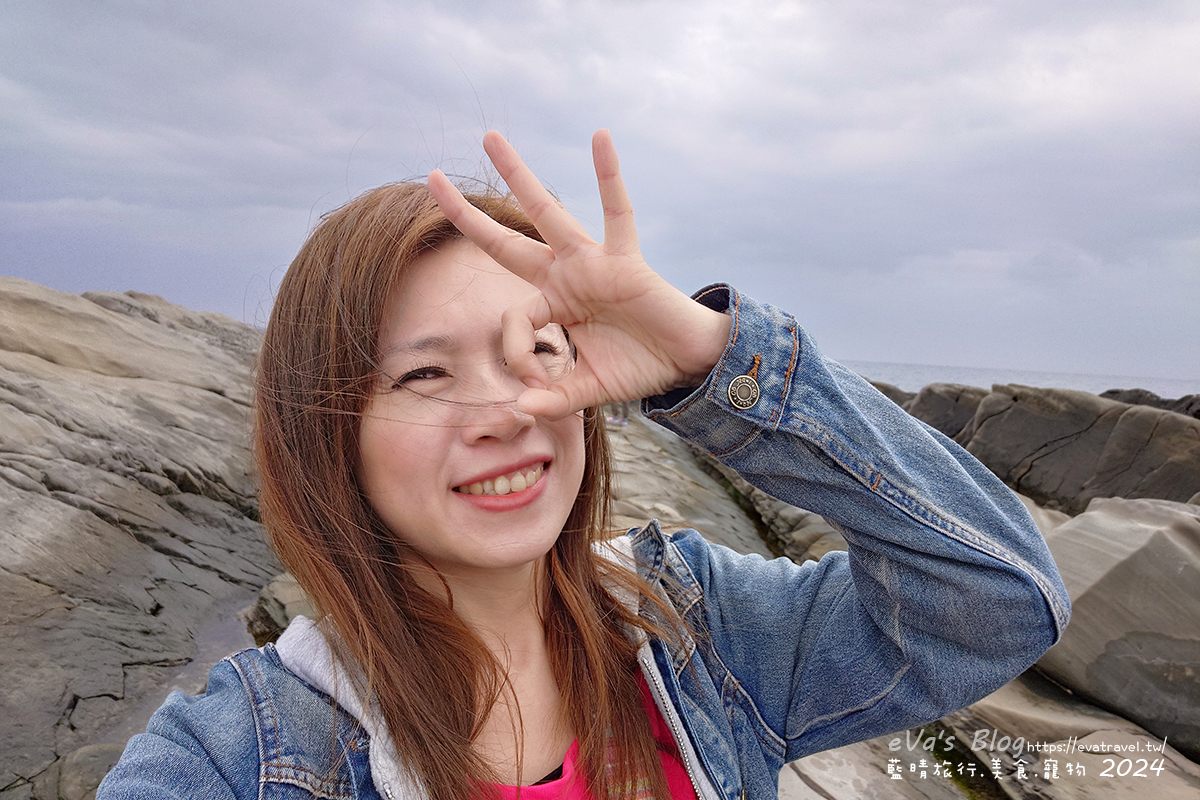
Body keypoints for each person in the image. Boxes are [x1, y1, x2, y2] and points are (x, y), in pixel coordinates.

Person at [98, 131, 1069, 800]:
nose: (510, 409)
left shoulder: (698, 624)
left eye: (541, 350)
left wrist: (710, 356)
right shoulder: (241, 752)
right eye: (427, 371)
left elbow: (1001, 600)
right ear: (327, 434)